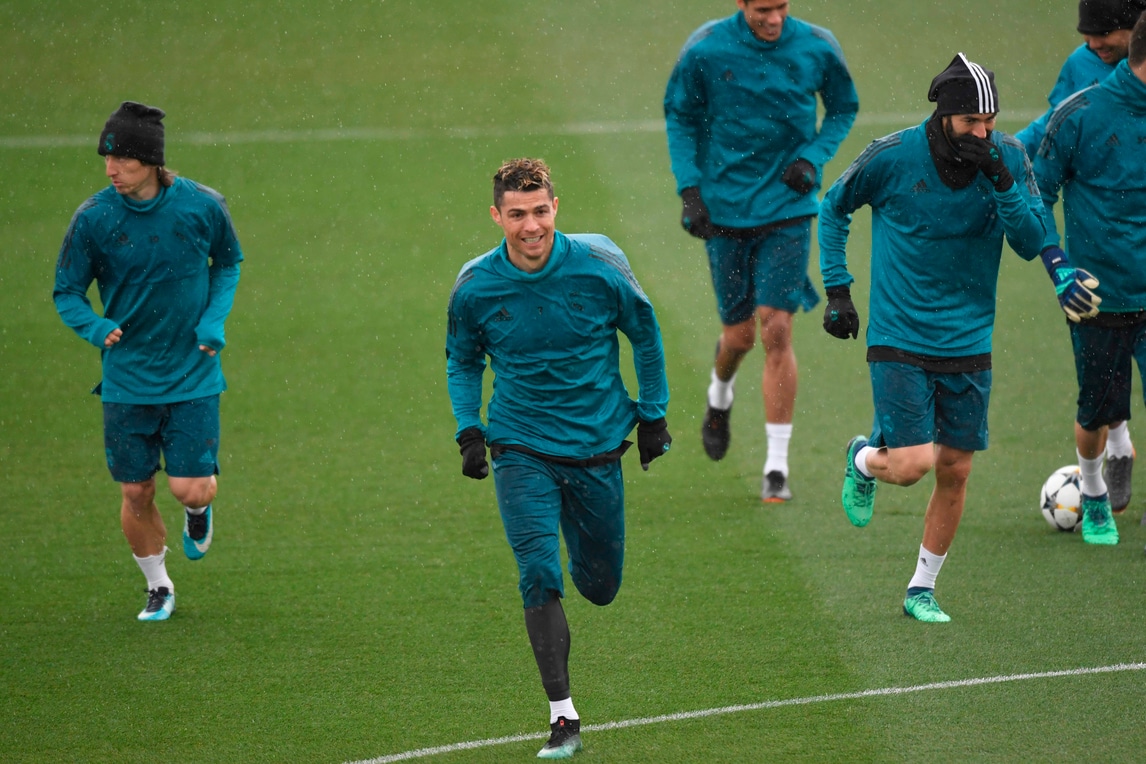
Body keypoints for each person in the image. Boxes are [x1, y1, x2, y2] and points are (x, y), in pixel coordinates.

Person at [818, 54, 1100, 622]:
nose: (983, 132)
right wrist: (837, 288)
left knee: (957, 469)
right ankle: (863, 459)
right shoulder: (893, 156)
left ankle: (920, 589)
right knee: (912, 464)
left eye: (990, 121)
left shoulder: (1008, 157)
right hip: (900, 331)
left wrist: (1001, 181)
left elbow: (1030, 241)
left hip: (969, 337)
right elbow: (834, 206)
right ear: (944, 115)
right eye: (972, 121)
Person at [445, 158, 671, 759]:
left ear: (555, 209)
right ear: (496, 217)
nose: (531, 226)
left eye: (540, 211)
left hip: (597, 445)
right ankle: (563, 717)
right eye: (517, 214)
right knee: (538, 570)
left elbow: (645, 334)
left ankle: (577, 540)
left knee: (600, 586)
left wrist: (653, 416)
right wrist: (470, 431)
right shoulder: (475, 285)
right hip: (519, 444)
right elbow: (462, 359)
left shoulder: (600, 264)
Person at [54, 102, 243, 622]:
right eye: (106, 159)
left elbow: (228, 263)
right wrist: (95, 327)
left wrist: (213, 321)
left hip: (192, 370)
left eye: (123, 160)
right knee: (135, 490)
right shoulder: (94, 219)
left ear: (153, 161)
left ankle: (199, 510)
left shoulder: (202, 206)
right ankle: (158, 586)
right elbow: (67, 291)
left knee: (190, 488)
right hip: (127, 377)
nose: (111, 170)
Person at [664, 0, 859, 502]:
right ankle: (720, 394)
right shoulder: (706, 49)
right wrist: (690, 190)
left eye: (781, 7)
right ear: (741, 3)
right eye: (763, 10)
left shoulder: (817, 46)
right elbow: (680, 115)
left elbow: (843, 107)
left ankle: (776, 467)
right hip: (725, 210)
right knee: (740, 336)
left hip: (787, 207)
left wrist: (812, 158)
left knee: (776, 326)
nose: (774, 20)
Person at [1019, 0, 1146, 515]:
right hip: (1103, 283)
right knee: (1099, 399)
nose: (1092, 45)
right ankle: (1113, 451)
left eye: (1103, 34)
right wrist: (1000, 155)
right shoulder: (1083, 75)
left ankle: (1118, 447)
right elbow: (1050, 134)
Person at [1016, 0, 1146, 161]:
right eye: (1087, 33)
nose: (1094, 44)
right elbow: (1054, 125)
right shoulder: (1080, 62)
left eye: (1104, 33)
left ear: (1138, 26)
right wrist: (1005, 154)